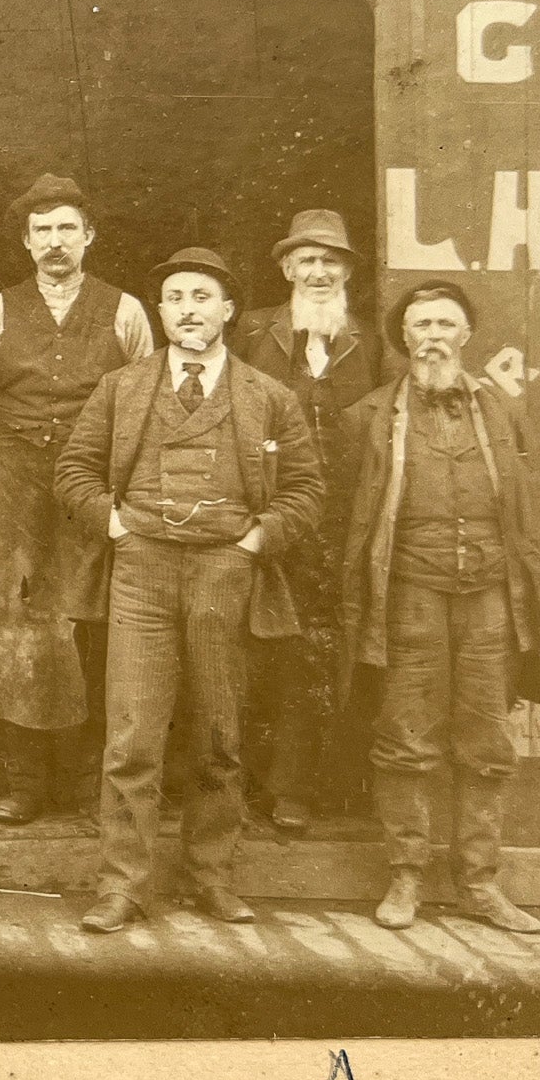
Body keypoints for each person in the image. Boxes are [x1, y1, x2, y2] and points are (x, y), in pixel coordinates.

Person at [55, 248, 323, 932]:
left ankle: (212, 877)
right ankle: (124, 886)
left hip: (225, 574)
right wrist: (113, 525)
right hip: (141, 571)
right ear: (162, 311)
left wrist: (256, 540)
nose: (188, 310)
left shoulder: (269, 397)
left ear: (228, 310)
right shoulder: (123, 388)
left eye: (201, 296)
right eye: (174, 297)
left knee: (218, 734)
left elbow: (306, 491)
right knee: (132, 736)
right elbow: (75, 471)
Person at [340, 282, 540, 934]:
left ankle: (480, 883)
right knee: (406, 734)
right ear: (404, 340)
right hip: (408, 596)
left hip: (489, 595)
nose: (432, 335)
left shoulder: (504, 412)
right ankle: (406, 878)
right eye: (420, 324)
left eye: (445, 324)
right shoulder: (370, 417)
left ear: (467, 337)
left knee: (485, 738)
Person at [0, 174, 153, 824]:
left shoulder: (124, 311)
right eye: (43, 230)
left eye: (68, 228)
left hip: (93, 487)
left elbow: (147, 407)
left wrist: (129, 501)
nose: (56, 241)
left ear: (89, 237)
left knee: (86, 630)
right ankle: (26, 782)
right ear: (25, 242)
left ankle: (84, 781)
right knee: (15, 633)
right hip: (12, 488)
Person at [234, 209, 385, 832]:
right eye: (308, 261)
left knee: (316, 655)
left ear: (346, 271)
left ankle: (295, 787)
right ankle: (232, 786)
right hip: (262, 518)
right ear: (287, 268)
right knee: (245, 645)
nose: (319, 272)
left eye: (331, 262)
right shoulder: (250, 331)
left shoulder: (371, 343)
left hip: (337, 527)